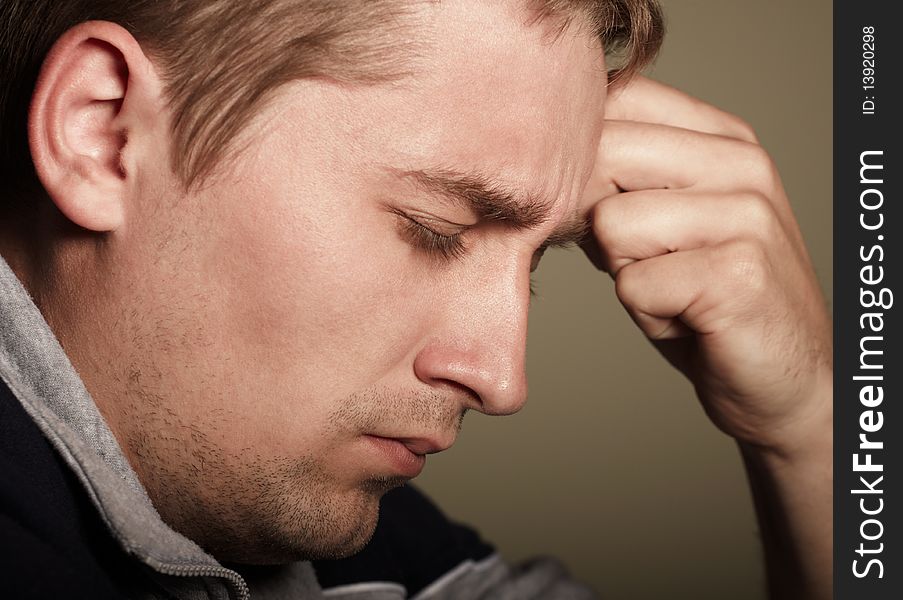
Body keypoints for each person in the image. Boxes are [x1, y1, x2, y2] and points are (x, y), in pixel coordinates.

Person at [0, 1, 832, 599]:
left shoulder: (329, 527)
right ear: (102, 133)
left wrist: (813, 429)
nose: (502, 381)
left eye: (536, 261)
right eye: (433, 229)